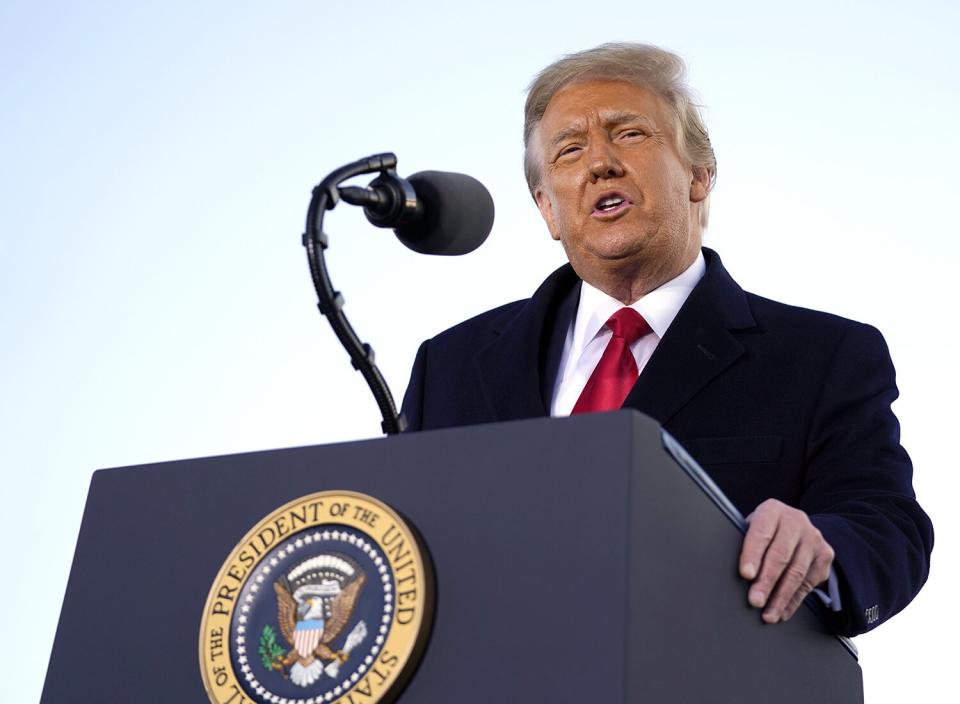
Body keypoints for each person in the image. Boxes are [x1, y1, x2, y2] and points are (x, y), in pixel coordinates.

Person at [400, 43, 932, 637]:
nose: (600, 164)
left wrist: (822, 546)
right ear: (548, 209)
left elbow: (887, 531)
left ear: (699, 176)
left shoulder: (824, 356)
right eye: (570, 149)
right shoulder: (449, 366)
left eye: (628, 134)